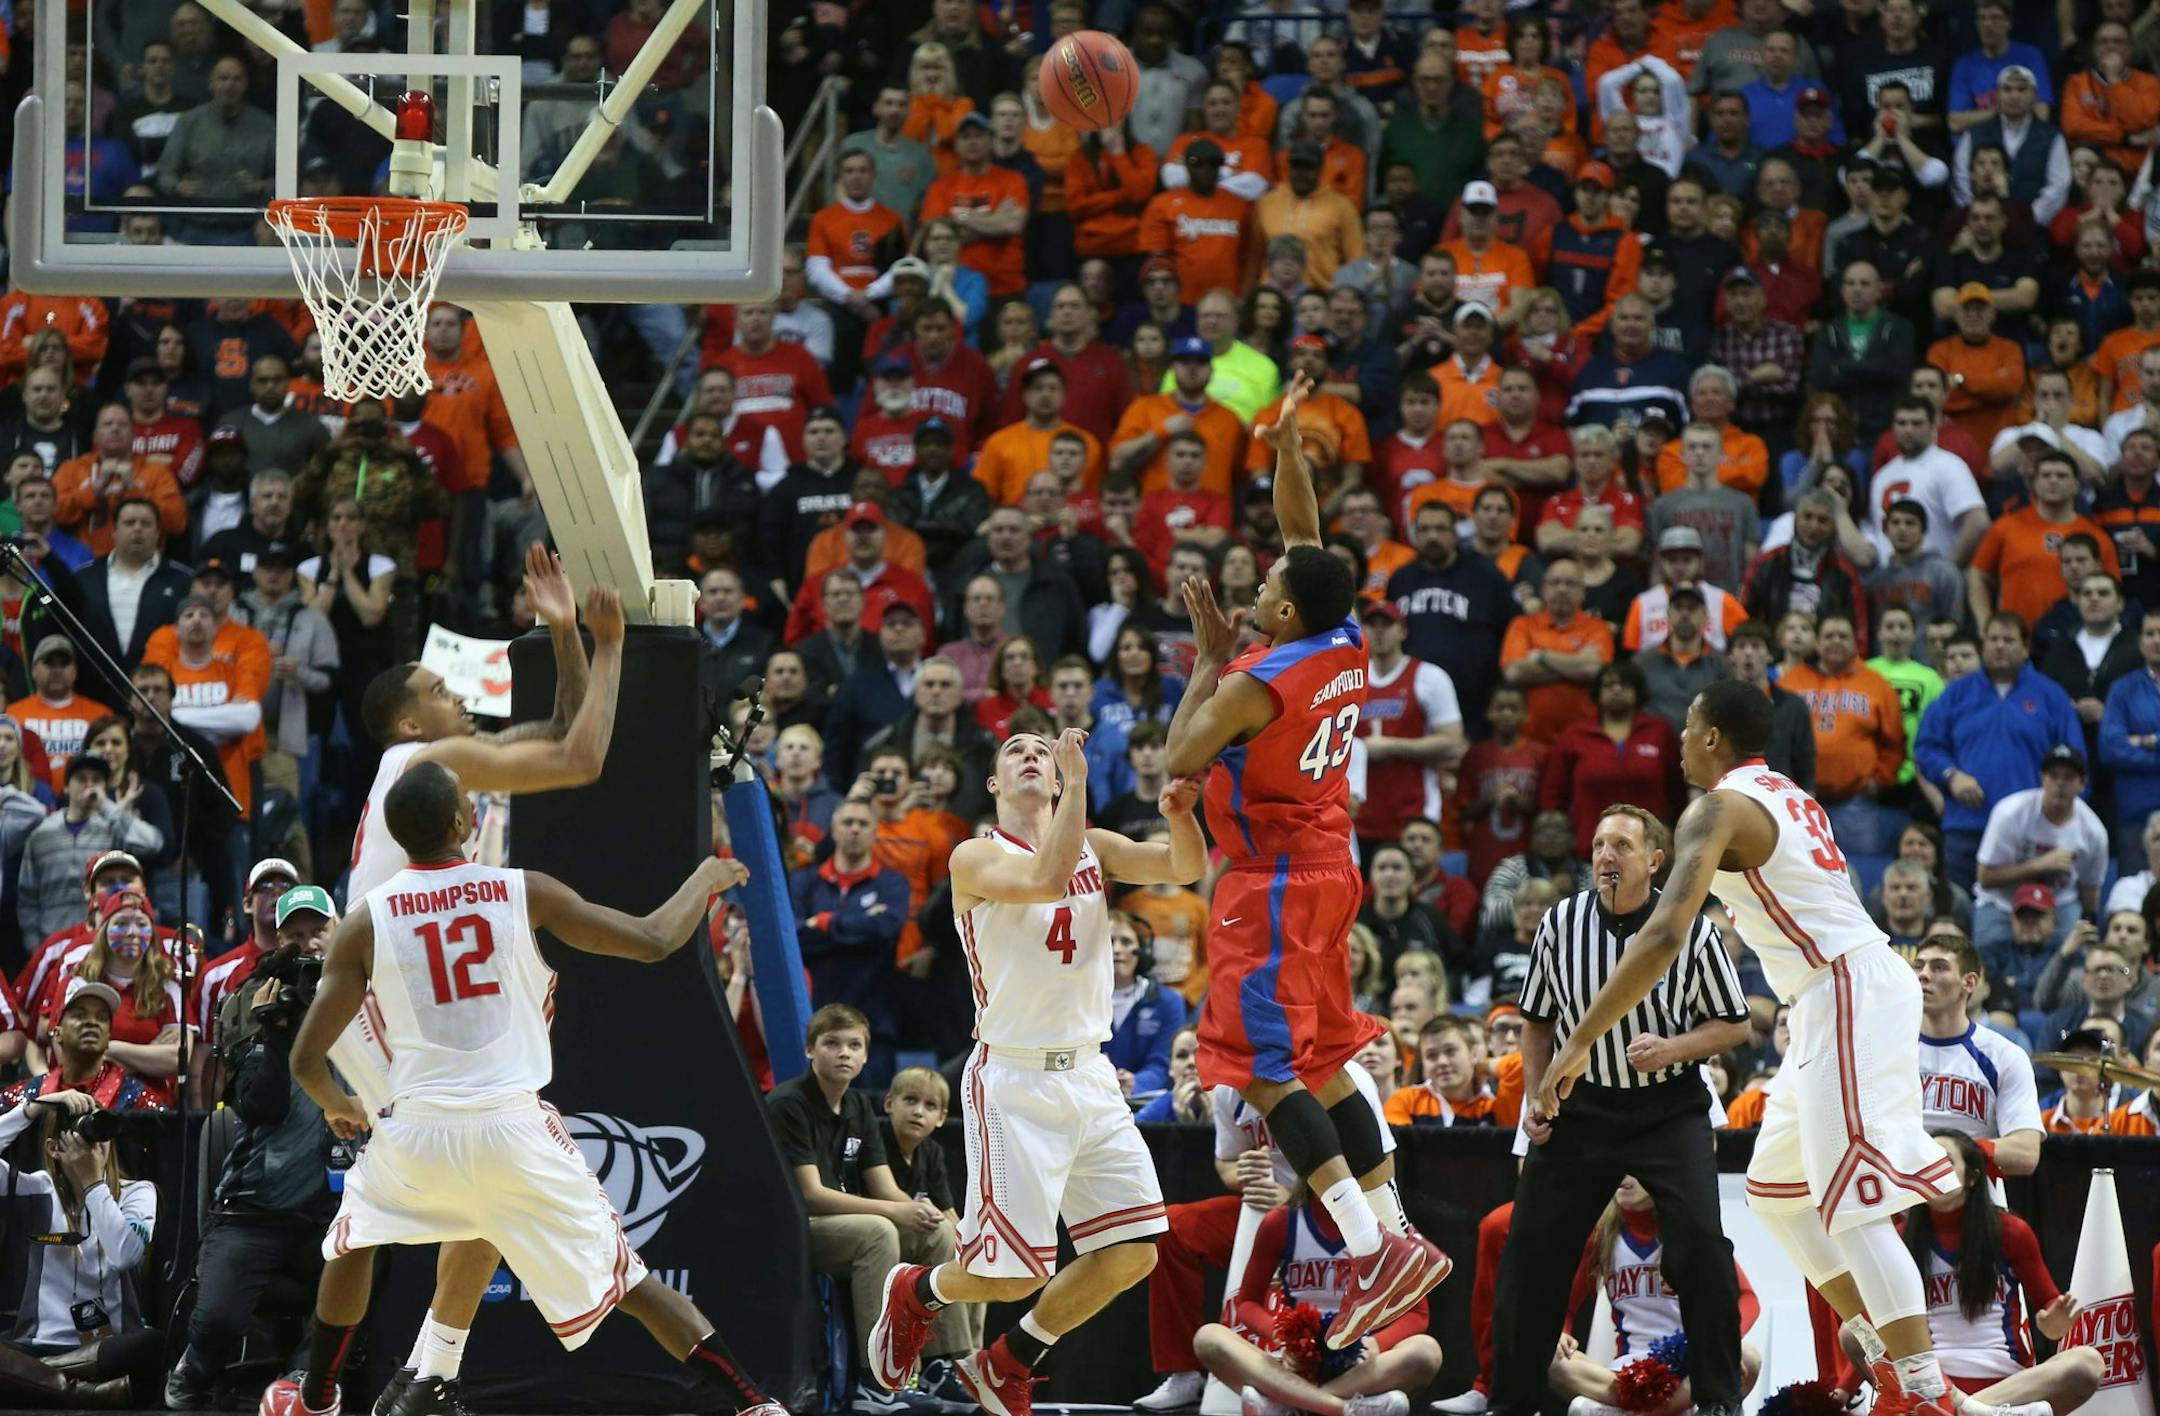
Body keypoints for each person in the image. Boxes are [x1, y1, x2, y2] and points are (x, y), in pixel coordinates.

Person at [1538, 680, 2049, 1416]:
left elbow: (1663, 933)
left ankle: (1925, 1395)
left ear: (1712, 736)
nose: (1679, 740)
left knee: (1856, 1206)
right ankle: (1885, 1355)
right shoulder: (1782, 791)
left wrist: (1580, 1039)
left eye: (1687, 726)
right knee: (1778, 1192)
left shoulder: (1716, 808)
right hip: (1826, 997)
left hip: (1846, 988)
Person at [270, 761, 776, 1416]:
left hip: (417, 1128)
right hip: (511, 1122)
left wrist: (338, 1107)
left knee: (354, 1238)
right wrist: (707, 878)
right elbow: (654, 940)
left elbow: (307, 1058)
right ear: (460, 822)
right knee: (627, 1277)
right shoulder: (519, 889)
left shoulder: (366, 920)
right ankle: (754, 1405)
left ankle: (320, 1397)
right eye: (469, 804)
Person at [1161, 372, 1447, 1349]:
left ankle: (1367, 1248)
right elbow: (1304, 538)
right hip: (1334, 865)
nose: (1254, 591)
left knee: (1261, 1068)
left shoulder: (1253, 681)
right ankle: (1400, 1233)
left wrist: (1206, 659)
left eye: (1262, 592)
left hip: (1272, 881)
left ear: (1284, 617)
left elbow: (1178, 760)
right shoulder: (1344, 635)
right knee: (1324, 1062)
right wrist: (1286, 449)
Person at [868, 727, 1203, 1410]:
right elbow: (1046, 878)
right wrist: (1078, 782)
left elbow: (1185, 867)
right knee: (1010, 1276)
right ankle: (916, 1290)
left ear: (1052, 782)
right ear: (995, 785)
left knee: (1134, 1253)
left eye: (1041, 752)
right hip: (1014, 1081)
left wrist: (1179, 814)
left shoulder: (1096, 845)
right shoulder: (974, 855)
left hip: (1090, 1074)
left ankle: (1007, 1362)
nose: (1031, 755)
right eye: (1014, 751)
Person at [1488, 804, 1751, 1416]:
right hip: (1583, 1110)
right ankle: (1513, 1398)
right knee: (1531, 1250)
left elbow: (1734, 1027)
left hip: (1669, 1109)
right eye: (1600, 844)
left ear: (1656, 862)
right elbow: (1536, 1020)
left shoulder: (1692, 929)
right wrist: (1536, 1095)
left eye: (1623, 847)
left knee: (1702, 1247)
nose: (1606, 856)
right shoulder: (1560, 922)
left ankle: (1718, 1399)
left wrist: (1674, 1049)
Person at [0, 1022, 162, 1408]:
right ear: (55, 1148)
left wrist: (93, 1187)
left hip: (106, 1348)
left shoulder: (139, 1193)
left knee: (150, 1345)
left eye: (100, 1137)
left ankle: (36, 1382)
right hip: (38, 1343)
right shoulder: (37, 1188)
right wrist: (31, 1107)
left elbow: (126, 1255)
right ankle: (80, 1392)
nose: (95, 1147)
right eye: (81, 1138)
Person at [1912, 936, 2043, 1178]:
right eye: (1918, 966)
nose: (1924, 975)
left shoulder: (2005, 1055)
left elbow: (2026, 1152)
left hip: (1973, 1197)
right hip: (1901, 1197)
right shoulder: (1887, 1049)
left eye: (1939, 967)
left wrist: (1953, 1153)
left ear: (1969, 982)